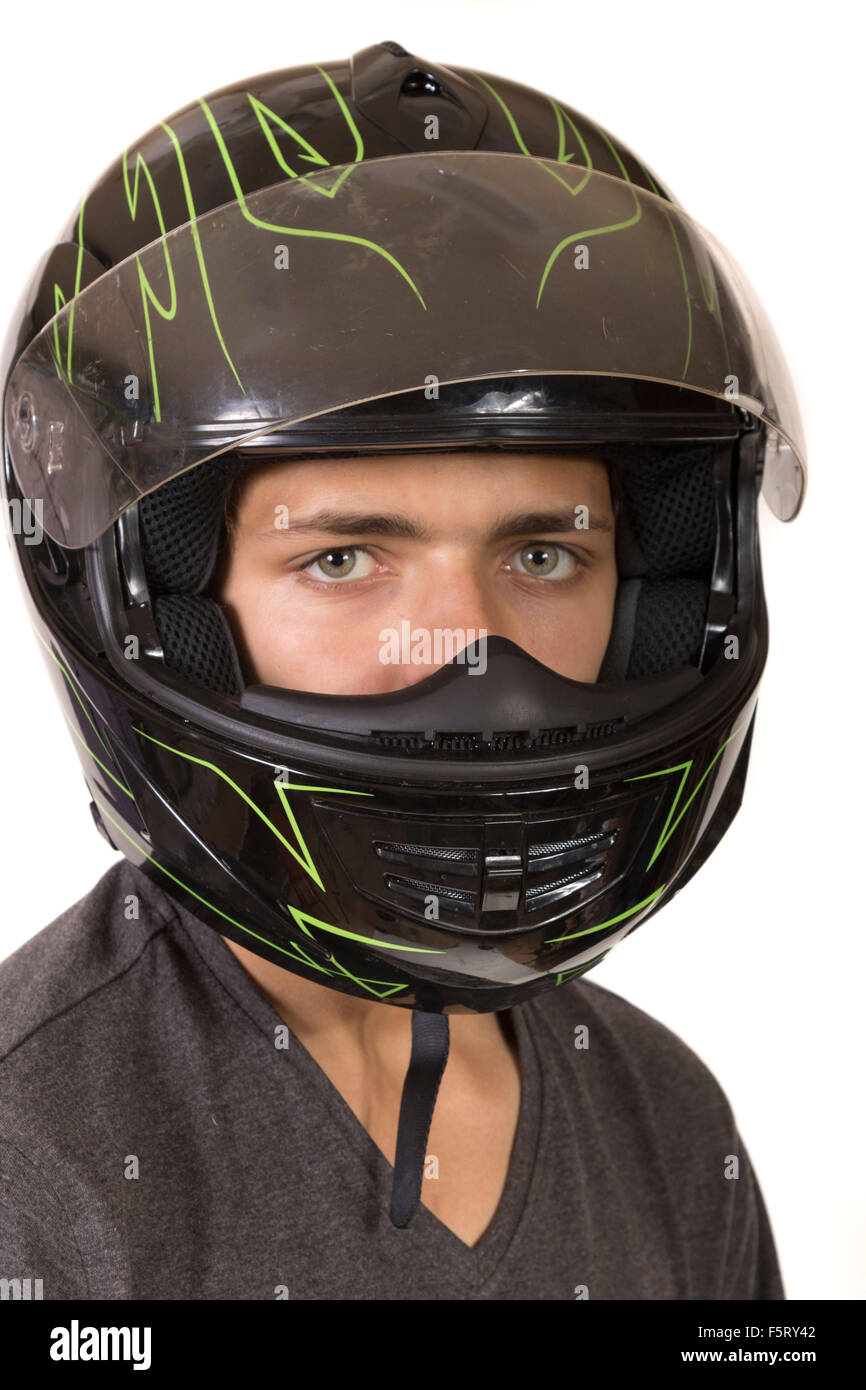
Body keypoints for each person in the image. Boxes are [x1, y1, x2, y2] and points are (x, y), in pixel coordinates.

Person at [0, 41, 804, 1298]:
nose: (466, 651)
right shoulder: (31, 1161)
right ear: (154, 598)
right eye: (342, 561)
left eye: (542, 553)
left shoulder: (664, 1121)